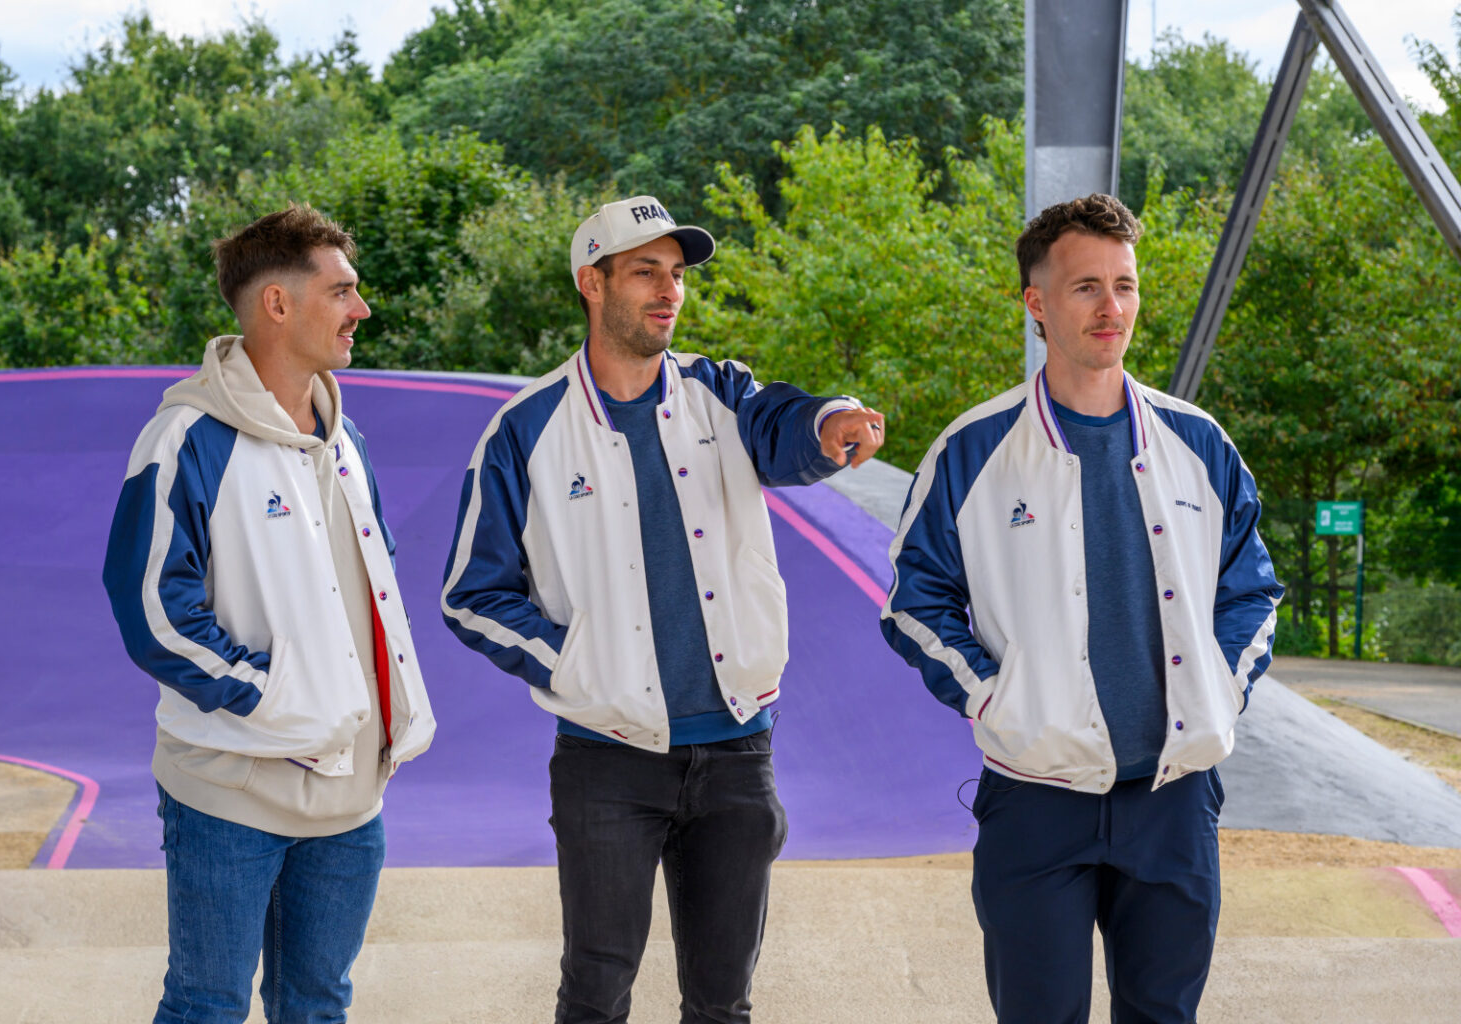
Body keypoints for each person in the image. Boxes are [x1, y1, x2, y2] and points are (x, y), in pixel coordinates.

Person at [441, 194, 885, 1023]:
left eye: (676, 275)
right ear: (592, 282)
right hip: (608, 757)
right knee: (597, 991)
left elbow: (786, 420)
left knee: (723, 1002)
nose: (669, 291)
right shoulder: (523, 431)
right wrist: (579, 667)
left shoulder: (719, 392)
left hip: (737, 751)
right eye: (645, 271)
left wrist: (830, 425)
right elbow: (473, 595)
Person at [880, 193, 1282, 1024]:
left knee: (1163, 1016)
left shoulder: (1199, 444)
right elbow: (914, 603)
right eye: (1086, 287)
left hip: (1174, 798)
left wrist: (1221, 690)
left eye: (1125, 285)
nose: (1113, 308)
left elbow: (1252, 591)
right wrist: (998, 699)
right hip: (1036, 796)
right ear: (1036, 303)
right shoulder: (972, 450)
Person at [102, 204, 436, 1024]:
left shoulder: (345, 436)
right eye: (343, 291)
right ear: (278, 305)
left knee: (317, 1006)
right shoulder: (185, 438)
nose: (361, 309)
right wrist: (275, 694)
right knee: (206, 1007)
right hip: (232, 790)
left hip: (351, 798)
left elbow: (372, 586)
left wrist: (375, 718)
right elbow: (150, 606)